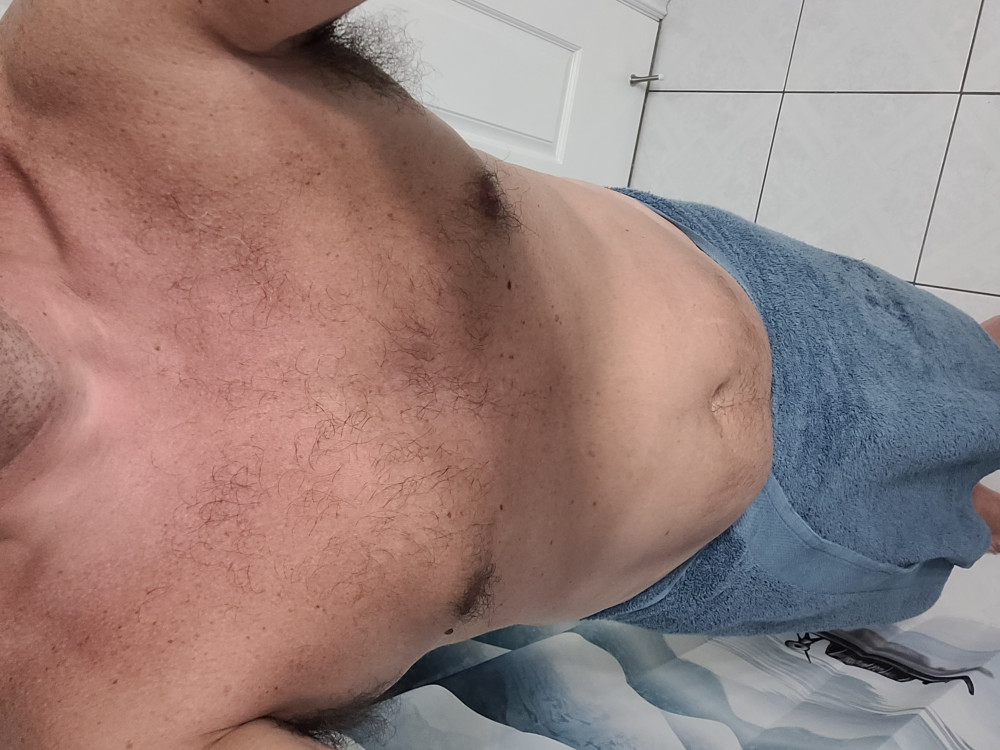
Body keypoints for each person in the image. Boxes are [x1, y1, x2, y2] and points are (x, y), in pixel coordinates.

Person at [1, 1, 997, 747]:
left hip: (775, 301)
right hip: (739, 564)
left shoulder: (89, 53)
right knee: (964, 537)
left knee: (977, 367)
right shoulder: (70, 705)